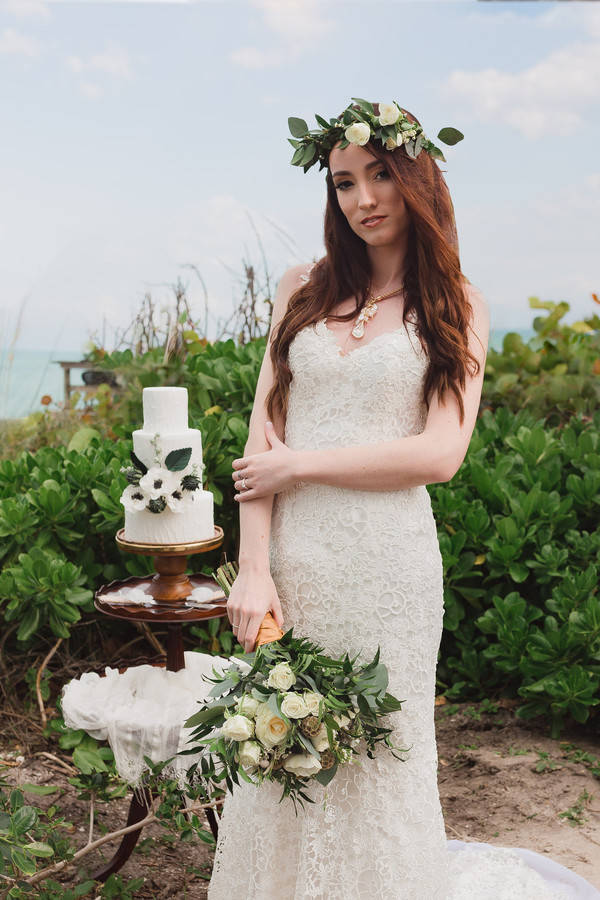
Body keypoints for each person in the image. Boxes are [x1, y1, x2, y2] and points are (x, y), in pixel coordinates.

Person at [207, 101, 599, 899]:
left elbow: (439, 454)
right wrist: (252, 570)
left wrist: (301, 467)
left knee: (380, 759)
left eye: (381, 174)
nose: (362, 199)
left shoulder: (457, 302)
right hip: (293, 567)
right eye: (344, 182)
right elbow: (261, 448)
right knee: (279, 750)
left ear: (419, 178)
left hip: (388, 573)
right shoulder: (301, 290)